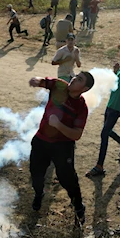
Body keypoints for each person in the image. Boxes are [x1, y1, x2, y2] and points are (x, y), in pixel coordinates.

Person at [28, 72, 95, 228]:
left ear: (84, 89)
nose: (73, 79)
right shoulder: (60, 86)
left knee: (67, 179)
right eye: (75, 76)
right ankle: (39, 194)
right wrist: (36, 80)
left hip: (63, 146)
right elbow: (44, 81)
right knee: (36, 175)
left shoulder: (81, 108)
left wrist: (58, 125)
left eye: (79, 79)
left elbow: (77, 134)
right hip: (41, 141)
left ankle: (79, 207)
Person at [86, 48, 120, 177]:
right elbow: (113, 86)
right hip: (110, 105)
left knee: (104, 133)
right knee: (107, 131)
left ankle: (99, 166)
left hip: (117, 108)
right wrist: (115, 73)